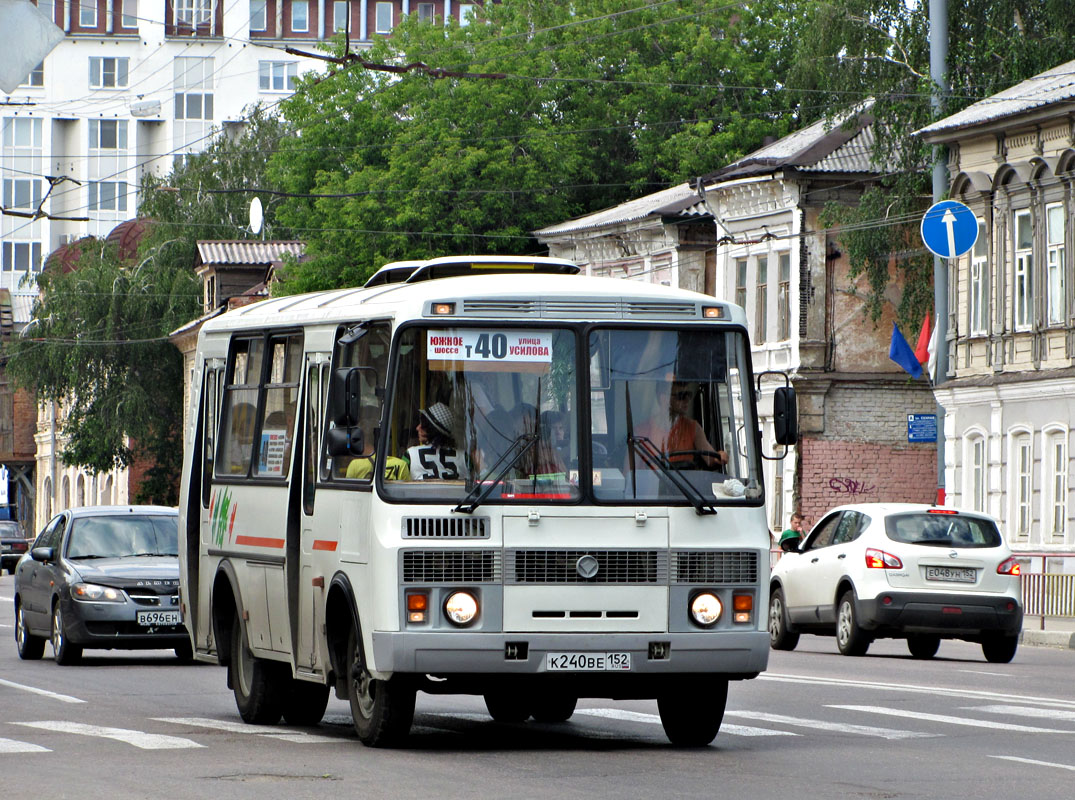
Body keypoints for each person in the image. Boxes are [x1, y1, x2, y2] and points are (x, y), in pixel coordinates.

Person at [634, 378, 728, 469]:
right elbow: (629, 474)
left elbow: (710, 458)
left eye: (688, 395)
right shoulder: (641, 433)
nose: (687, 400)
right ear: (664, 399)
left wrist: (719, 456)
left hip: (683, 485)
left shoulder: (693, 428)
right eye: (681, 396)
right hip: (651, 485)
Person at [346, 405, 410, 481]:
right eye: (366, 419)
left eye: (373, 419)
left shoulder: (355, 466)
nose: (369, 423)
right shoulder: (400, 465)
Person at [406, 401, 467, 480]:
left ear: (432, 431)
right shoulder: (465, 457)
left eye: (423, 426)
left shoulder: (409, 455)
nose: (417, 428)